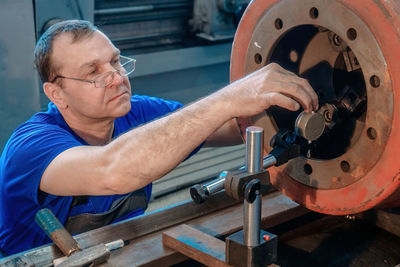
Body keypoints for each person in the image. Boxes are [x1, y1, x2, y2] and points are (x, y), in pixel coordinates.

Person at [0, 20, 318, 256]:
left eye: (115, 61)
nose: (116, 78)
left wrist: (293, 100)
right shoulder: (30, 146)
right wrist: (230, 97)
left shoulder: (138, 112)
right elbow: (112, 171)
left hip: (118, 253)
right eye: (94, 72)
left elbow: (224, 126)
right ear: (57, 94)